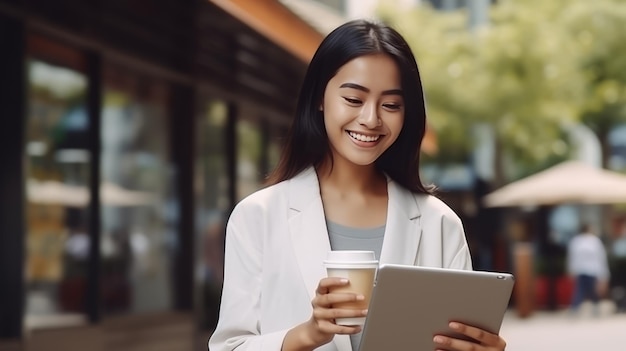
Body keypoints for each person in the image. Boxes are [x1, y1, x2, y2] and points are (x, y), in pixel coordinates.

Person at [208, 19, 507, 351]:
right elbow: (230, 347)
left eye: (391, 105)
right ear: (319, 97)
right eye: (353, 99)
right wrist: (307, 334)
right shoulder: (257, 217)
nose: (371, 119)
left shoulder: (439, 223)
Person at [566, 224, 610, 315]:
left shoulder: (592, 241)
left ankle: (593, 307)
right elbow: (601, 258)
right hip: (585, 270)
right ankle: (576, 308)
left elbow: (572, 257)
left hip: (590, 270)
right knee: (581, 290)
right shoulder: (581, 241)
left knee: (591, 290)